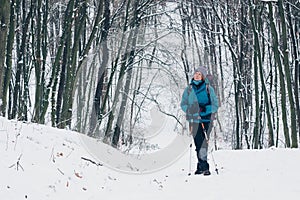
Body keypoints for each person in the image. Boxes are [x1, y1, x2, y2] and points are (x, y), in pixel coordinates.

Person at [181, 66, 219, 175]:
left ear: (203, 77)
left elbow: (215, 105)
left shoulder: (208, 89)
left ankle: (204, 166)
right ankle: (201, 166)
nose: (197, 76)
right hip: (193, 120)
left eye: (199, 74)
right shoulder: (189, 89)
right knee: (198, 143)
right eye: (195, 74)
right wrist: (189, 109)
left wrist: (204, 109)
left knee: (203, 143)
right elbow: (183, 104)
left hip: (206, 120)